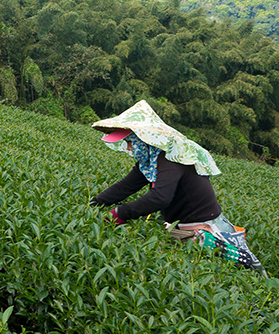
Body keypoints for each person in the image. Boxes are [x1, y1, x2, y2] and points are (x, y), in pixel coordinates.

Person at [90, 100, 264, 274]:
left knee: (222, 274)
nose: (129, 148)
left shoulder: (171, 158)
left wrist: (121, 213)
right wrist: (94, 204)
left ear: (142, 139)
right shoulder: (151, 161)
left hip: (204, 229)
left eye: (130, 142)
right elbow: (126, 186)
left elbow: (160, 197)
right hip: (181, 226)